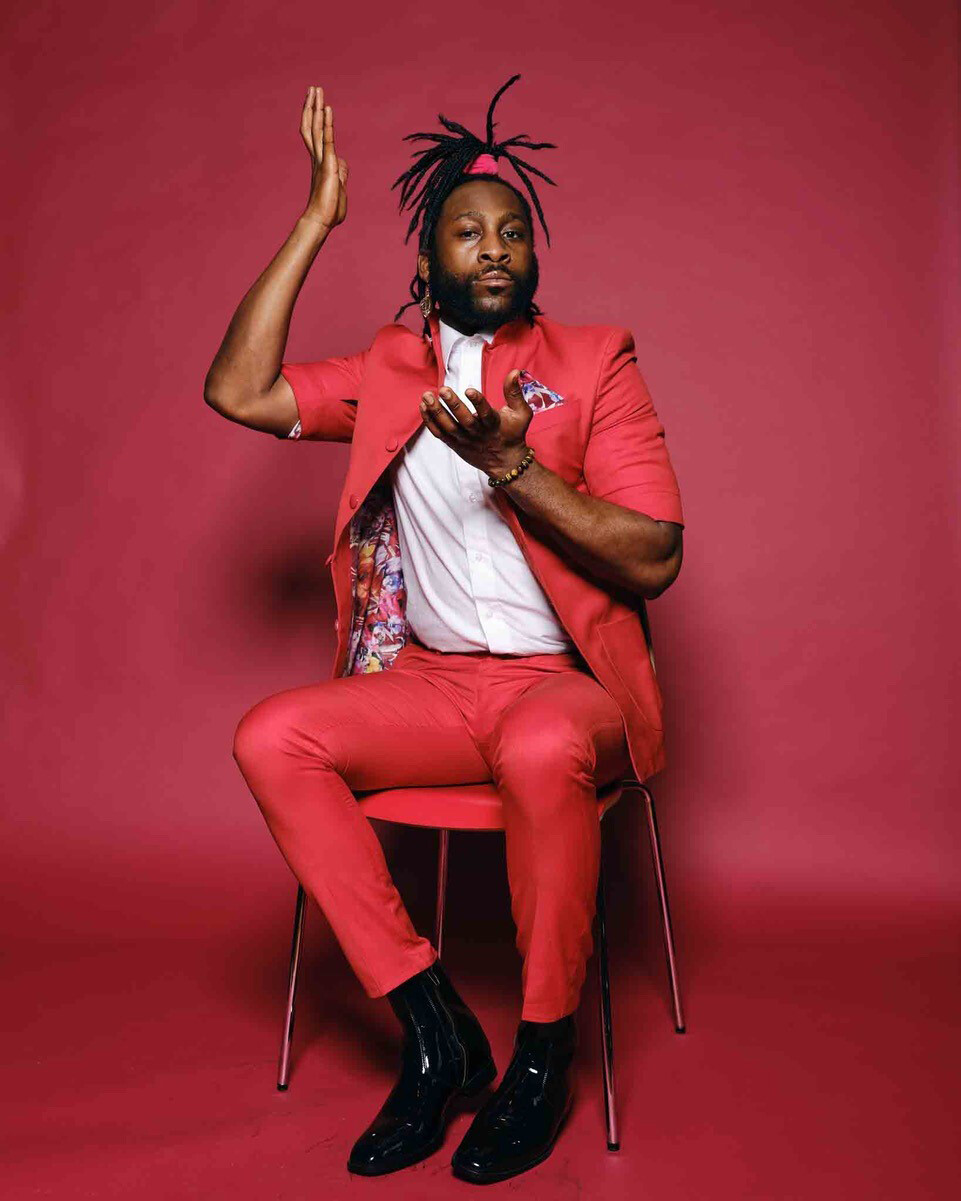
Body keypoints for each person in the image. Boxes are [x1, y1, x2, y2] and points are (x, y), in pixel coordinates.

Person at [203, 74, 685, 1184]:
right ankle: (434, 1030)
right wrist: (313, 223)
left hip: (563, 689)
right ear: (427, 266)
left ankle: (540, 1055)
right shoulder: (387, 372)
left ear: (533, 257)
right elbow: (239, 391)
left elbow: (654, 556)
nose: (494, 247)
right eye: (465, 233)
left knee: (536, 744)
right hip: (427, 685)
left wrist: (511, 465)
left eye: (512, 231)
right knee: (274, 734)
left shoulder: (594, 362)